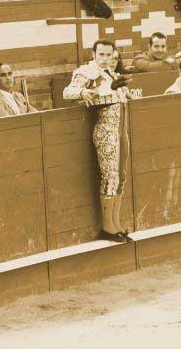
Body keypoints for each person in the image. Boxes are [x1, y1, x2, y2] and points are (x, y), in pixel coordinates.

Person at [63, 39, 134, 243]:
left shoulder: (111, 74)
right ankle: (108, 227)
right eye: (101, 54)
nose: (104, 59)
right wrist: (84, 91)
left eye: (108, 55)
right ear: (93, 54)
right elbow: (67, 92)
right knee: (110, 176)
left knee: (120, 175)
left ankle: (116, 224)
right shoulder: (86, 72)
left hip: (121, 131)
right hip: (105, 131)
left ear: (113, 55)